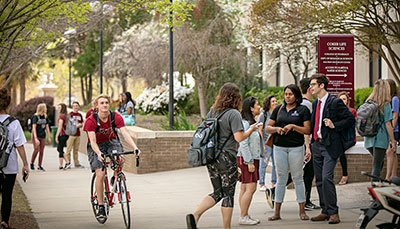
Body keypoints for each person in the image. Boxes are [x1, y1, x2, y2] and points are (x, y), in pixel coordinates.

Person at [186, 83, 259, 229]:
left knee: (218, 192)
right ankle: (227, 227)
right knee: (228, 194)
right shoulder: (233, 114)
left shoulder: (212, 111)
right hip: (226, 157)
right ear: (236, 97)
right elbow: (239, 137)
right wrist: (250, 131)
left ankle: (195, 215)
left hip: (211, 156)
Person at [83, 94, 140, 220]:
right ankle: (101, 206)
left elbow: (124, 133)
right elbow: (92, 141)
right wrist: (98, 153)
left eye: (106, 103)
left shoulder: (115, 117)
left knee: (119, 158)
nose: (104, 105)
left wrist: (135, 147)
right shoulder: (91, 120)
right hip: (96, 146)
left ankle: (115, 177)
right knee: (100, 174)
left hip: (111, 141)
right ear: (96, 106)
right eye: (101, 103)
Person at [309, 73, 355, 224]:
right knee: (320, 180)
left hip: (330, 145)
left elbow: (350, 119)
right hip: (316, 144)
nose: (311, 87)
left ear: (322, 85)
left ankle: (334, 212)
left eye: (313, 84)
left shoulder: (335, 102)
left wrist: (335, 125)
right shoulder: (316, 103)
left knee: (327, 177)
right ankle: (325, 211)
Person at [265, 84, 311, 221]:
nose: (287, 96)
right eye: (286, 94)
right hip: (279, 147)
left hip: (296, 148)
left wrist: (293, 127)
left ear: (296, 95)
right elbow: (268, 127)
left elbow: (307, 130)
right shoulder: (279, 109)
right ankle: (277, 212)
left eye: (290, 94)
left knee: (297, 178)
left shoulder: (303, 110)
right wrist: (277, 129)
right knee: (281, 179)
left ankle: (302, 211)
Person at [0, 88, 30, 229]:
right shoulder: (13, 122)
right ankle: (4, 222)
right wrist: (25, 164)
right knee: (7, 195)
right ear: (8, 105)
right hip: (8, 166)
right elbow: (20, 146)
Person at [237, 96, 263, 225]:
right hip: (247, 158)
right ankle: (243, 217)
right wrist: (249, 162)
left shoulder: (251, 122)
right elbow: (243, 143)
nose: (259, 107)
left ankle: (245, 214)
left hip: (250, 158)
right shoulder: (246, 123)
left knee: (244, 188)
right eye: (257, 105)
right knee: (250, 188)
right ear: (251, 108)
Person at [363, 79, 396, 182]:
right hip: (380, 139)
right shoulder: (385, 104)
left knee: (378, 163)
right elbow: (388, 124)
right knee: (377, 166)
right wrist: (393, 140)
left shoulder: (368, 102)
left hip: (368, 139)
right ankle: (374, 190)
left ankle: (376, 186)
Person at [257, 95, 278, 209]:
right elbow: (260, 130)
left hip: (275, 142)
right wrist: (262, 145)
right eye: (273, 101)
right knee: (263, 163)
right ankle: (261, 183)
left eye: (276, 101)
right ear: (269, 103)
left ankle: (274, 182)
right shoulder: (263, 115)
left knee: (276, 163)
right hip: (266, 142)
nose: (275, 102)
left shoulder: (277, 113)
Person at [337, 91, 357, 185]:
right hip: (340, 138)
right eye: (340, 99)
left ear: (347, 101)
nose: (342, 101)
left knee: (340, 150)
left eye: (344, 99)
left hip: (350, 139)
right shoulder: (336, 112)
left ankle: (345, 175)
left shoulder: (352, 111)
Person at [30, 103, 51, 171]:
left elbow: (47, 127)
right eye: (45, 108)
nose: (46, 109)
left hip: (43, 136)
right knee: (36, 150)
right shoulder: (35, 117)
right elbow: (34, 128)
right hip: (36, 136)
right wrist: (35, 138)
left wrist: (49, 136)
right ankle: (32, 163)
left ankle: (40, 166)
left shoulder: (45, 117)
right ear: (42, 109)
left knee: (41, 151)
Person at [386, 79, 399, 181]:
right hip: (393, 130)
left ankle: (389, 177)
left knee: (390, 152)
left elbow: (395, 116)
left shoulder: (394, 99)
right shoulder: (389, 99)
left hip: (395, 130)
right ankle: (394, 176)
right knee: (393, 153)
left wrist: (392, 130)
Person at [65, 101, 84, 168]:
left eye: (77, 106)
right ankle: (68, 163)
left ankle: (76, 163)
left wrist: (80, 125)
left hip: (78, 134)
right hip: (71, 134)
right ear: (72, 107)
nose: (75, 107)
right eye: (74, 106)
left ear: (78, 107)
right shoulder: (70, 115)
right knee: (68, 149)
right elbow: (67, 124)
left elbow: (82, 123)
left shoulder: (80, 115)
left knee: (76, 150)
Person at [55, 103, 72, 170]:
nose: (58, 109)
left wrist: (56, 136)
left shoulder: (62, 117)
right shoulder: (66, 116)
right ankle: (68, 162)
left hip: (62, 135)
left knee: (60, 149)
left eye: (59, 108)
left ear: (63, 109)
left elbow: (60, 127)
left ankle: (61, 165)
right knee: (59, 149)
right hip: (66, 135)